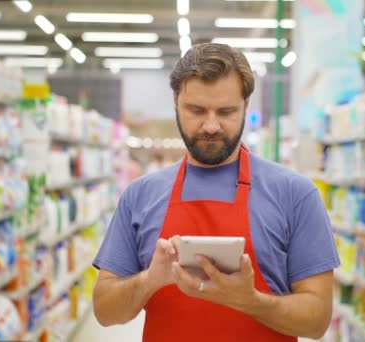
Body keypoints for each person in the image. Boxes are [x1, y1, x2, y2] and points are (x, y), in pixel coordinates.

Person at [92, 43, 340, 341]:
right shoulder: (140, 195)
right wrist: (149, 280)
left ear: (246, 106)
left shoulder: (296, 195)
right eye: (196, 110)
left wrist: (250, 301)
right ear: (175, 103)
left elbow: (317, 321)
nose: (211, 126)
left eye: (226, 111)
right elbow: (104, 311)